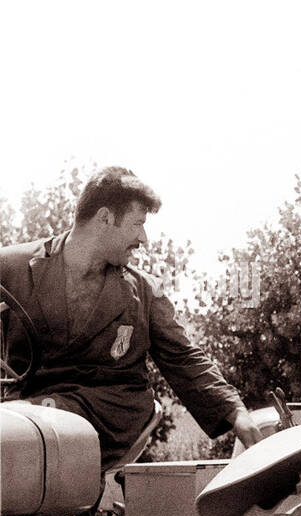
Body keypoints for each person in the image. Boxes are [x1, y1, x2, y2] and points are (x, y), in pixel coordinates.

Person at [0, 166, 262, 469]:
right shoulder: (12, 268)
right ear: (105, 218)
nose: (144, 238)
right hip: (26, 413)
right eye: (138, 224)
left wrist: (234, 410)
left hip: (109, 413)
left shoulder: (144, 291)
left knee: (33, 425)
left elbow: (183, 357)